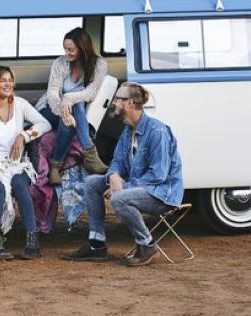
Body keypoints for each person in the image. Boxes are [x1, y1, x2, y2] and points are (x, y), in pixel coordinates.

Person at [61, 82, 183, 267]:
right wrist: (114, 176)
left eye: (119, 99)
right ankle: (97, 245)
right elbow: (117, 161)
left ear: (130, 104)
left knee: (119, 198)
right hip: (138, 186)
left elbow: (158, 174)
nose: (114, 102)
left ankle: (147, 245)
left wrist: (122, 187)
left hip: (162, 193)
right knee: (91, 182)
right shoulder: (128, 130)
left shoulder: (157, 131)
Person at [0, 65, 52, 260]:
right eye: (3, 80)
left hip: (17, 164)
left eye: (10, 80)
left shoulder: (19, 104)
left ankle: (33, 240)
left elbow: (44, 123)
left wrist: (24, 135)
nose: (8, 84)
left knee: (21, 185)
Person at [36, 27, 108, 185]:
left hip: (75, 109)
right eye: (65, 49)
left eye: (71, 50)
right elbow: (52, 93)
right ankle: (90, 154)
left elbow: (91, 92)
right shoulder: (59, 63)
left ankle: (55, 166)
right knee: (71, 112)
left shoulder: (99, 64)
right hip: (50, 108)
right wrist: (64, 111)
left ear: (83, 48)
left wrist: (68, 99)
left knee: (78, 104)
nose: (67, 53)